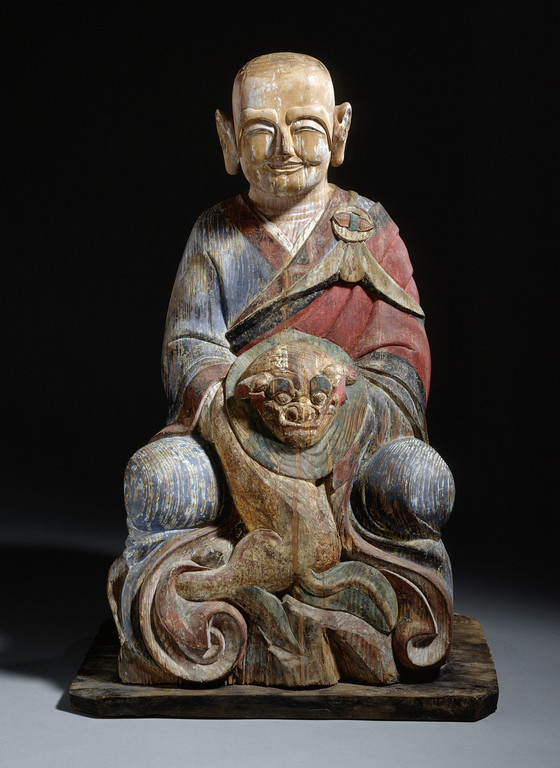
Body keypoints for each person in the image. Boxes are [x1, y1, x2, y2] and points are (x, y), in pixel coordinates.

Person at [110, 53, 454, 686]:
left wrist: (334, 408)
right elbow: (187, 345)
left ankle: (393, 616)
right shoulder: (215, 232)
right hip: (231, 441)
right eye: (262, 129)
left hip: (350, 446)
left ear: (340, 131)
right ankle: (193, 618)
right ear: (227, 138)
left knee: (419, 481)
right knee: (158, 481)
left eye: (307, 128)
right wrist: (243, 411)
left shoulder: (369, 232)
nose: (285, 149)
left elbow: (402, 357)